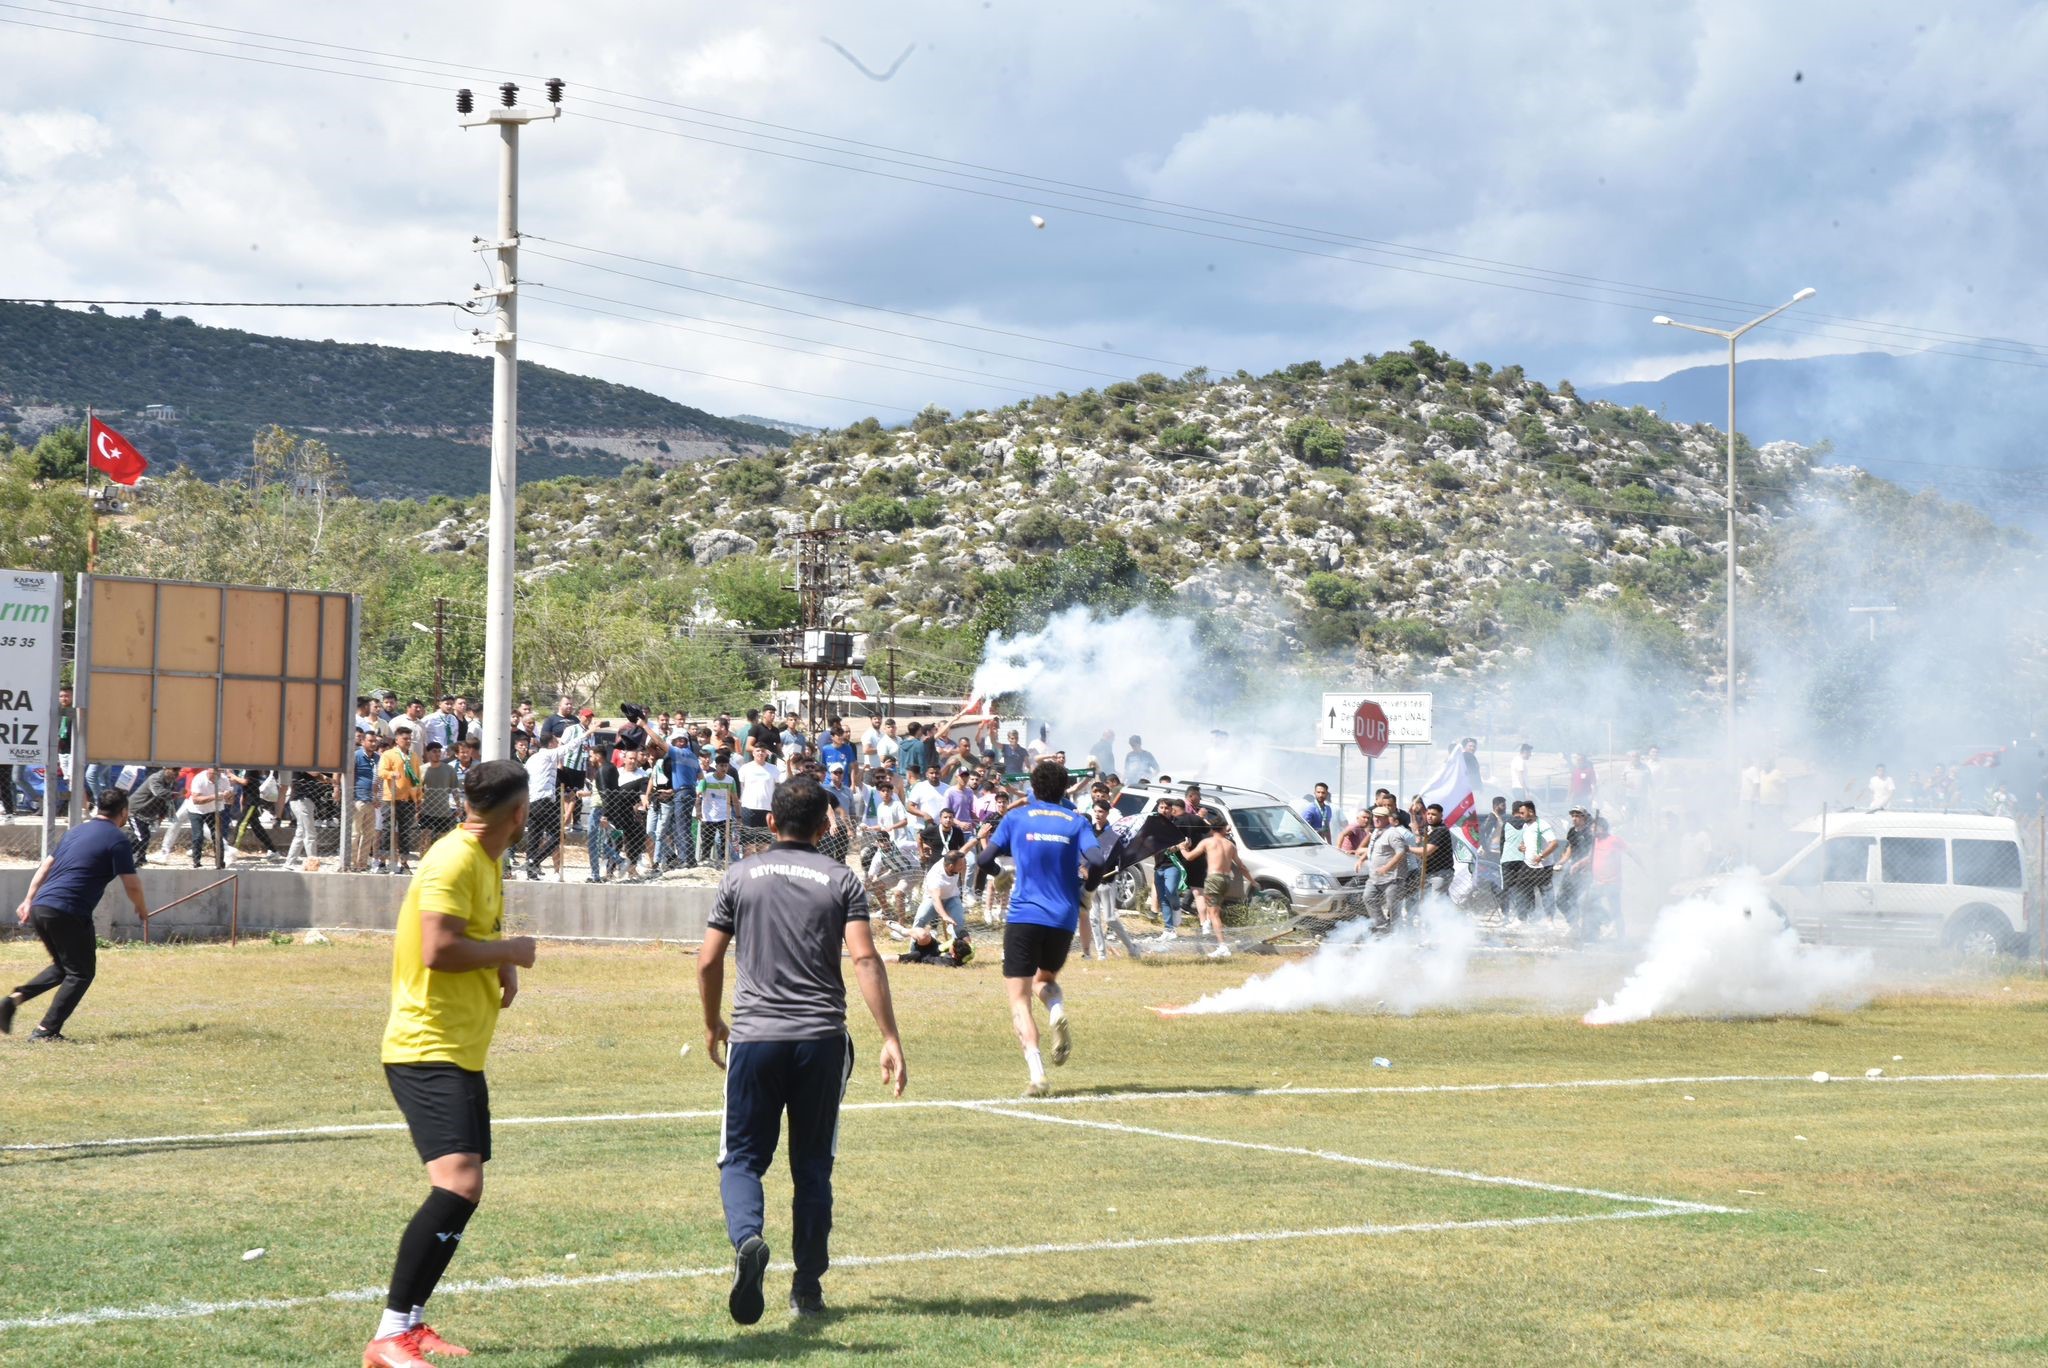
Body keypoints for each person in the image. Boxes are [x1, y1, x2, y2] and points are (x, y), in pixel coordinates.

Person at [699, 776, 905, 1324]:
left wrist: (711, 1022)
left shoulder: (739, 876)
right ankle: (808, 1289)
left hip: (755, 1038)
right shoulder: (842, 879)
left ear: (771, 822)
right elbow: (864, 960)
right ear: (824, 828)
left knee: (741, 1158)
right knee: (813, 1166)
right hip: (821, 1040)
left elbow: (707, 960)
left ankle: (748, 1239)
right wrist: (890, 1037)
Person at [363, 759, 537, 1368]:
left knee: (464, 1185)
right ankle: (388, 1336)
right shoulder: (453, 860)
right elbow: (438, 949)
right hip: (426, 1046)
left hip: (457, 1050)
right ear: (518, 814)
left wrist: (500, 961)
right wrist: (511, 949)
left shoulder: (486, 859)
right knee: (458, 1184)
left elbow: (470, 932)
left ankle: (408, 1324)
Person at [976, 758, 1108, 1095]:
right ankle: (1057, 1008)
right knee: (1045, 981)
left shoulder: (1016, 817)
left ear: (1032, 788)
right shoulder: (1076, 821)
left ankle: (1037, 1075)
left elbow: (982, 858)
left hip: (1024, 916)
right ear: (1065, 789)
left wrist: (1000, 875)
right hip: (1063, 917)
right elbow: (1096, 861)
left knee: (1019, 1000)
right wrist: (1088, 891)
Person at [4, 787, 149, 1041]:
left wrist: (28, 900)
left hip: (42, 906)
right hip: (68, 910)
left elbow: (46, 866)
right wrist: (141, 907)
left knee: (65, 968)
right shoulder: (117, 839)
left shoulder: (76, 831)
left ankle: (11, 1002)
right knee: (81, 973)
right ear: (124, 812)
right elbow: (132, 883)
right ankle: (45, 1031)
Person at [1179, 813, 1250, 958]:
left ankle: (1222, 946)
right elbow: (1241, 866)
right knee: (1215, 911)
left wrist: (1182, 848)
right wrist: (1252, 881)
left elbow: (1189, 857)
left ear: (1212, 829)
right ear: (1224, 829)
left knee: (1213, 914)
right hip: (1226, 879)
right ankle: (1218, 940)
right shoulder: (1229, 844)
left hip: (1213, 879)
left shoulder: (1207, 842)